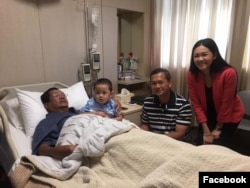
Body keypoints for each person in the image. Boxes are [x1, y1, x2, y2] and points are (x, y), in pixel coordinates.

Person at [32, 87, 122, 160]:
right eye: (56, 95)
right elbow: (41, 149)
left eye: (63, 95)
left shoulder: (79, 112)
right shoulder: (47, 122)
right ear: (47, 105)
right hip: (89, 145)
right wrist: (63, 150)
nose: (62, 97)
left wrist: (115, 105)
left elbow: (103, 118)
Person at [187, 38, 244, 147]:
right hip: (207, 115)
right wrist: (206, 131)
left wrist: (218, 128)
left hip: (229, 115)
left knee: (218, 147)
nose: (200, 59)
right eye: (196, 56)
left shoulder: (228, 73)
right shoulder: (192, 75)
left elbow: (226, 104)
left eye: (204, 54)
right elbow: (196, 104)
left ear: (214, 55)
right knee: (201, 145)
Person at [140, 68, 192, 140]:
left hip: (176, 142)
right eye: (154, 83)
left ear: (170, 83)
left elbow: (179, 133)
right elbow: (145, 124)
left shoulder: (183, 104)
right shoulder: (147, 102)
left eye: (161, 82)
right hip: (154, 141)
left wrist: (156, 139)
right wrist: (139, 133)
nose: (157, 86)